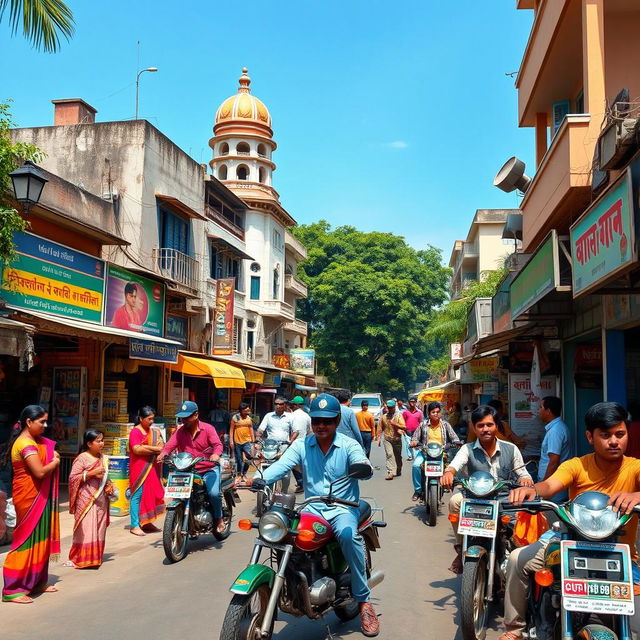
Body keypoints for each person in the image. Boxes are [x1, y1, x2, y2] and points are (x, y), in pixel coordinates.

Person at [501, 402, 640, 640]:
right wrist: (532, 491)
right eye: (605, 435)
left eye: (620, 434)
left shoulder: (635, 468)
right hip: (568, 542)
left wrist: (637, 495)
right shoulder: (577, 466)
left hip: (620, 555)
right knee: (516, 559)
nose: (614, 441)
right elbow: (550, 485)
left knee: (636, 629)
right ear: (590, 436)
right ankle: (515, 628)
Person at [253, 393, 380, 637]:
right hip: (312, 508)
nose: (321, 426)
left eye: (327, 421)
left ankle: (364, 602)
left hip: (343, 508)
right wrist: (260, 478)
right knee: (285, 535)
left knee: (346, 534)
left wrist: (362, 469)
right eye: (317, 420)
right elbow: (283, 464)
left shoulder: (349, 445)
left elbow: (362, 464)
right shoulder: (302, 444)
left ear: (336, 420)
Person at [441, 405, 533, 574]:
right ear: (474, 428)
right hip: (475, 499)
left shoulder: (511, 449)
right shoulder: (467, 449)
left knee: (520, 534)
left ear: (496, 426)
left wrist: (525, 479)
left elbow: (522, 472)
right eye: (480, 426)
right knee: (454, 501)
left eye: (489, 425)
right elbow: (455, 464)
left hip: (504, 500)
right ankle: (462, 547)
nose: (485, 429)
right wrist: (448, 472)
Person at [2, 405, 61, 604]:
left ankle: (36, 581)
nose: (46, 425)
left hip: (39, 496)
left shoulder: (34, 441)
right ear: (29, 422)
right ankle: (13, 588)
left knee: (40, 538)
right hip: (28, 497)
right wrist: (55, 462)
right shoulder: (25, 443)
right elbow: (40, 472)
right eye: (41, 421)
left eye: (46, 421)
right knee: (25, 541)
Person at [158, 401, 226, 534]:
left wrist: (215, 455)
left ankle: (219, 518)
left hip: (208, 468)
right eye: (181, 417)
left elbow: (218, 445)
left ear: (196, 415)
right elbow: (169, 446)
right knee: (176, 494)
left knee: (213, 494)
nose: (184, 420)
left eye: (187, 417)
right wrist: (163, 454)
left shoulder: (208, 429)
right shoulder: (179, 432)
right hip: (186, 470)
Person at [65, 430, 113, 569]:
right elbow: (73, 478)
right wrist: (92, 473)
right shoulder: (82, 458)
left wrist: (109, 485)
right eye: (98, 441)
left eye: (102, 440)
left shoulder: (103, 458)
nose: (102, 443)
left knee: (99, 527)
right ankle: (82, 558)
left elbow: (105, 476)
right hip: (86, 499)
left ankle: (95, 557)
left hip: (101, 499)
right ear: (89, 443)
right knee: (87, 528)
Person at [410, 402, 460, 501]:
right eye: (433, 412)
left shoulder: (445, 425)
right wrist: (414, 442)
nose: (436, 414)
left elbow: (454, 437)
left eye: (438, 412)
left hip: (441, 453)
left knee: (451, 466)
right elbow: (415, 438)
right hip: (425, 452)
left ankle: (448, 484)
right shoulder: (423, 425)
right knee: (416, 465)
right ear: (429, 414)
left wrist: (456, 442)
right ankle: (418, 490)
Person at [128, 406, 165, 537]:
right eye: (149, 419)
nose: (151, 421)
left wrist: (149, 448)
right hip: (139, 468)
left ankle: (147, 522)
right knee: (137, 496)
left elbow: (162, 447)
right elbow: (137, 449)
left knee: (150, 494)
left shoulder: (154, 432)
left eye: (152, 419)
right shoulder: (135, 432)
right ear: (141, 419)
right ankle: (134, 525)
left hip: (152, 467)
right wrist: (155, 449)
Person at [256, 396, 297, 493]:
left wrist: (290, 441)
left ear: (285, 405)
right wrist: (257, 439)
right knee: (267, 469)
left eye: (281, 404)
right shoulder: (268, 416)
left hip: (284, 448)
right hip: (270, 448)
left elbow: (296, 431)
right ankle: (267, 492)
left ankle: (284, 492)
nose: (278, 406)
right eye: (276, 404)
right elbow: (261, 430)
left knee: (286, 473)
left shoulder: (290, 417)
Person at [537, 396, 571, 503]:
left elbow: (554, 461)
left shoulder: (555, 431)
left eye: (540, 407)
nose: (539, 411)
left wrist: (544, 484)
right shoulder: (557, 427)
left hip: (552, 487)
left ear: (548, 411)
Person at [379, 400, 406, 480]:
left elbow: (404, 427)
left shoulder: (399, 416)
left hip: (397, 439)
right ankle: (390, 472)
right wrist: (379, 438)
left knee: (398, 456)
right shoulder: (384, 417)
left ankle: (399, 468)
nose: (390, 409)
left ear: (394, 407)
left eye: (391, 408)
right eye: (389, 408)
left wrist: (395, 424)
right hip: (387, 439)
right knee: (389, 454)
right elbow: (380, 427)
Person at [230, 402, 255, 486]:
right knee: (239, 460)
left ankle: (244, 473)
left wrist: (253, 440)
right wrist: (231, 441)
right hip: (237, 441)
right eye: (246, 409)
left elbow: (251, 429)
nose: (248, 410)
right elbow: (231, 430)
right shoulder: (235, 417)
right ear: (241, 410)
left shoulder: (249, 418)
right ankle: (239, 475)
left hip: (247, 441)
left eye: (248, 409)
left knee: (249, 459)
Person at [290, 396, 311, 493]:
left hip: (292, 443)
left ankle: (301, 482)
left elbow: (292, 431)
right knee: (301, 464)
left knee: (294, 464)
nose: (291, 406)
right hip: (304, 443)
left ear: (297, 405)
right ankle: (303, 482)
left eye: (293, 404)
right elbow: (310, 431)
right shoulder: (306, 416)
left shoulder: (292, 415)